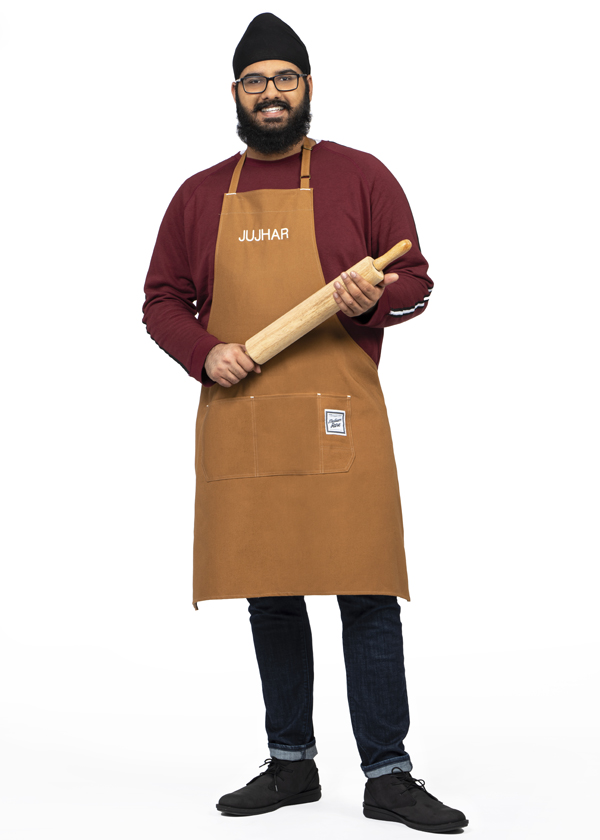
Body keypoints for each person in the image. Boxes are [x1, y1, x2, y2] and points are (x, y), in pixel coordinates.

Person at [142, 12, 468, 834]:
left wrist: (378, 298)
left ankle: (388, 776)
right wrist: (204, 352)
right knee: (272, 598)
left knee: (367, 593)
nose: (271, 93)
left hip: (338, 419)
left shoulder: (362, 178)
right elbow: (160, 301)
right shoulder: (196, 194)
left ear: (310, 87)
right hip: (241, 414)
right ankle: (291, 765)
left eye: (285, 78)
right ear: (236, 94)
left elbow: (417, 282)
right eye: (256, 81)